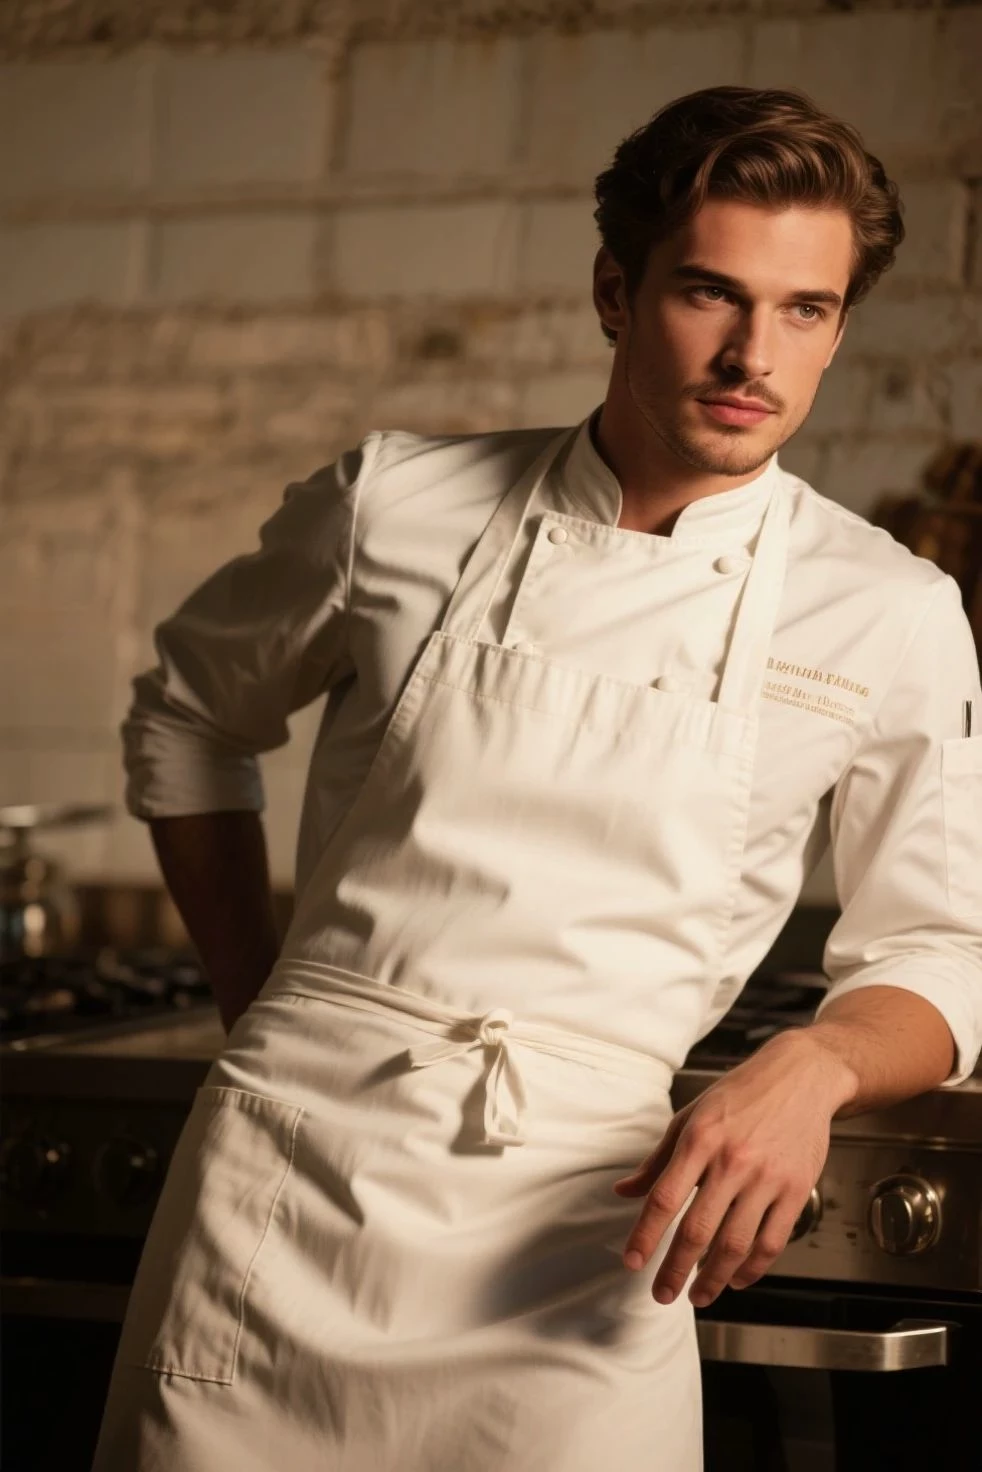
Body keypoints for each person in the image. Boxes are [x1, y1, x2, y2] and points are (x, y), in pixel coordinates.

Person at [92, 85, 982, 1471]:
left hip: (590, 1230)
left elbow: (940, 947)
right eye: (709, 293)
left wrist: (812, 1066)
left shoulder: (886, 609)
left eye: (804, 309)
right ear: (615, 292)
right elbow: (189, 718)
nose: (752, 355)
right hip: (289, 1189)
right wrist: (260, 1001)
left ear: (836, 329)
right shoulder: (394, 505)